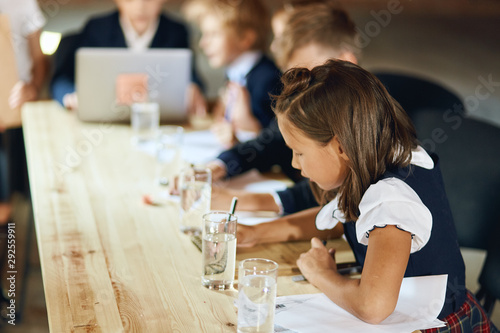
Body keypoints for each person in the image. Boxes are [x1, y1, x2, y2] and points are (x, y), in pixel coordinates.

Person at [272, 59, 498, 331]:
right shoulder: (381, 158)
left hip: (434, 326)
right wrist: (254, 233)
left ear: (341, 146)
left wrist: (323, 274)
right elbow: (335, 219)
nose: (296, 164)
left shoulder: (391, 200)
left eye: (299, 152)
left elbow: (372, 307)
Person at [208, 3, 360, 218]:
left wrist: (250, 201)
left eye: (310, 73)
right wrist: (221, 165)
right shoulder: (311, 101)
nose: (300, 88)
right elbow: (270, 142)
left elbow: (340, 193)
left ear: (345, 62)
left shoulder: (370, 117)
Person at [50, 0, 205, 114]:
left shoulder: (176, 31)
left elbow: (190, 75)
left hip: (157, 121)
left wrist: (192, 87)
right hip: (105, 117)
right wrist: (70, 95)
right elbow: (62, 79)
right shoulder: (97, 29)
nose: (140, 7)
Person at [0, 0, 47, 321]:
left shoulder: (21, 3)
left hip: (12, 123)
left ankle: (9, 295)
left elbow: (41, 59)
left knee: (8, 213)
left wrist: (31, 86)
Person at [183, 0, 281, 147]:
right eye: (204, 34)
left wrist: (250, 127)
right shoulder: (234, 74)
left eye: (214, 34)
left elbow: (278, 143)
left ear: (245, 38)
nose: (203, 43)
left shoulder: (268, 80)